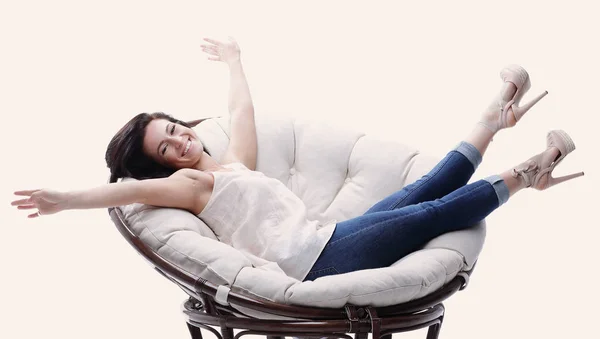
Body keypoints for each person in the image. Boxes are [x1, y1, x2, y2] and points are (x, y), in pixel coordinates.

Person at [11, 37, 584, 282]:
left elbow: (241, 110)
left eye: (175, 130)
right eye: (166, 148)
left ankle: (497, 115)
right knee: (428, 215)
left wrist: (234, 60)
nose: (181, 142)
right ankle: (530, 173)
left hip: (330, 235)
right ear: (165, 166)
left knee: (427, 188)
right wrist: (65, 199)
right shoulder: (189, 187)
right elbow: (125, 192)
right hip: (317, 263)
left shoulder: (232, 164)